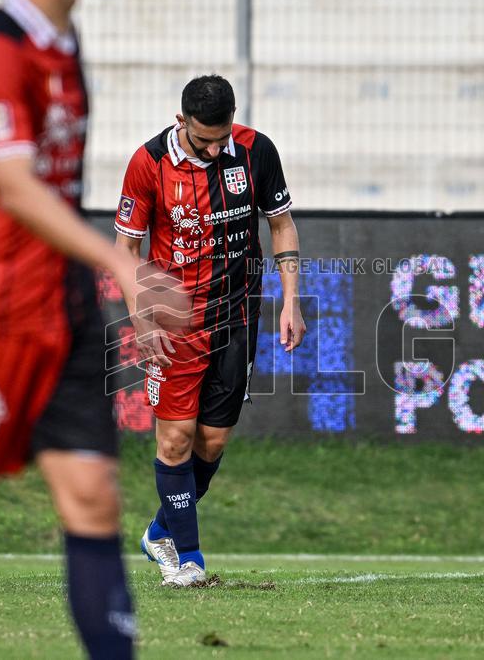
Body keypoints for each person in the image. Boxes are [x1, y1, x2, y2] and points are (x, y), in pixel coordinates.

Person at [0, 0, 176, 657]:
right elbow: (15, 186)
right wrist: (121, 262)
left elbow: (18, 162)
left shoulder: (63, 38)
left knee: (94, 498)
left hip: (63, 306)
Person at [114, 75, 306, 587]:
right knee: (175, 440)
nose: (217, 149)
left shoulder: (256, 150)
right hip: (174, 321)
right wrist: (141, 319)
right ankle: (189, 560)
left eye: (222, 138)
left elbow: (281, 224)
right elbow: (125, 250)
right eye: (205, 140)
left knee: (213, 442)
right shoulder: (148, 163)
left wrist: (291, 300)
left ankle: (159, 531)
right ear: (182, 121)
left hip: (238, 315)